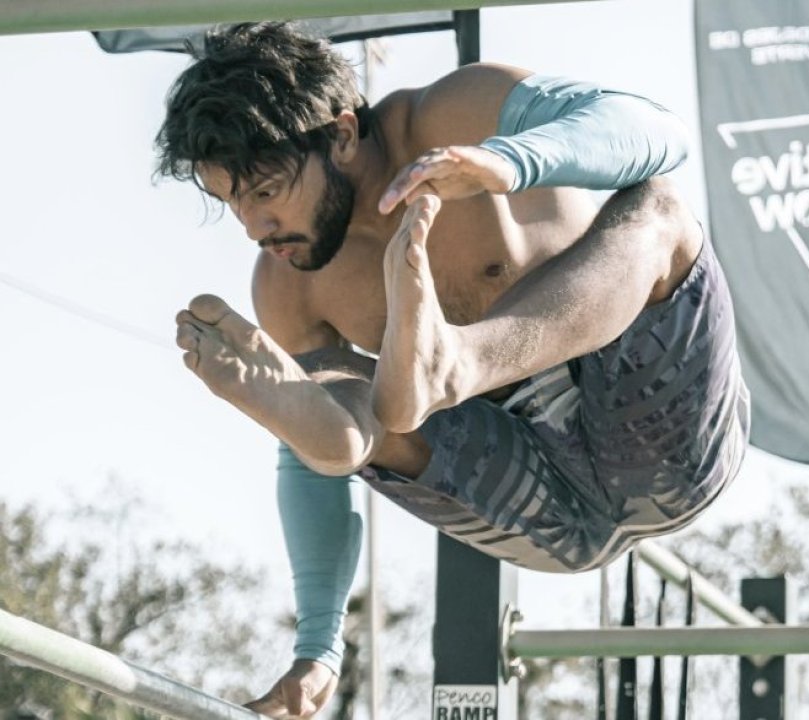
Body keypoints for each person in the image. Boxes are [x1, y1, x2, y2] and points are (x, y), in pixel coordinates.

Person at [159, 21, 748, 718]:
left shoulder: (456, 114)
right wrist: (318, 648)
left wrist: (512, 161)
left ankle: (455, 362)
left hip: (666, 440)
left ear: (341, 135)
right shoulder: (291, 286)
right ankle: (365, 427)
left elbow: (658, 133)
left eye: (265, 191)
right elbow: (306, 464)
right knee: (335, 401)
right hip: (541, 512)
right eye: (231, 202)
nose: (253, 228)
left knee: (658, 207)